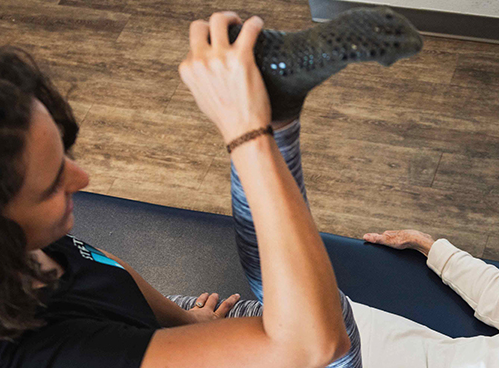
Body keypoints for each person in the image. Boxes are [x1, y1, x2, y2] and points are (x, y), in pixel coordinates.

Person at [0, 10, 496, 368]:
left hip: (150, 328)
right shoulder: (46, 354)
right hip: (125, 347)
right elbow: (312, 348)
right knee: (323, 333)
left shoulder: (31, 248)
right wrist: (248, 136)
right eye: (50, 186)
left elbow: (95, 265)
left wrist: (184, 322)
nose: (82, 179)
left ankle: (276, 112)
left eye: (65, 155)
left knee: (288, 310)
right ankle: (277, 119)